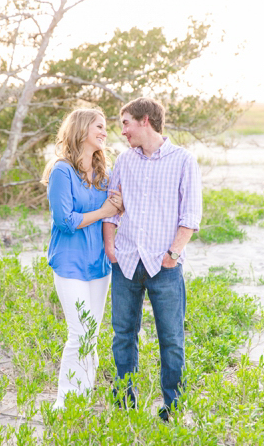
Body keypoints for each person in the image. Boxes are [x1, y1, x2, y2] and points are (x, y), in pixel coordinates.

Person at [103, 97, 202, 421]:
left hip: (165, 267)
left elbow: (190, 215)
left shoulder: (183, 160)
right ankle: (124, 406)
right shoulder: (124, 161)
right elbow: (112, 210)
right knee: (123, 337)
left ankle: (172, 409)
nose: (123, 132)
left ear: (145, 120)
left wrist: (172, 255)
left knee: (172, 340)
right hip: (127, 262)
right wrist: (110, 248)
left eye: (126, 123)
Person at [41, 108, 123, 410]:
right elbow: (64, 220)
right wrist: (104, 211)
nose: (104, 131)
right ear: (81, 129)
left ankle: (84, 395)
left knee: (92, 334)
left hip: (99, 264)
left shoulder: (104, 172)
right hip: (70, 263)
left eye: (105, 127)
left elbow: (118, 209)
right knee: (80, 332)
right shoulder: (62, 170)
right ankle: (65, 403)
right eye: (99, 126)